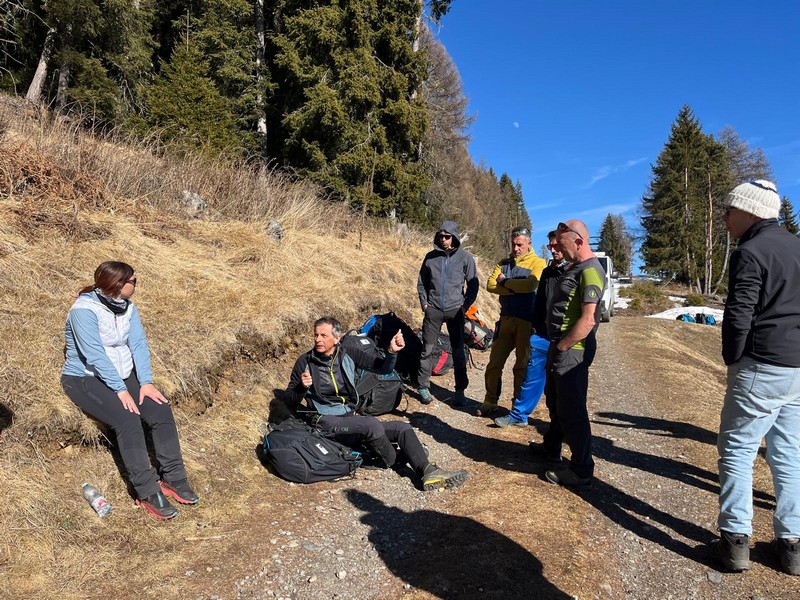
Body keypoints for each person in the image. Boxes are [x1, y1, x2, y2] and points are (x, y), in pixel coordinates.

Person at [61, 261, 198, 520]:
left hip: (123, 376)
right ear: (117, 284)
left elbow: (138, 344)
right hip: (84, 379)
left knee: (160, 410)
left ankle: (174, 478)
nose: (136, 284)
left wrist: (145, 382)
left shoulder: (128, 308)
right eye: (132, 281)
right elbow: (94, 355)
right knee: (128, 420)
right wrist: (120, 389)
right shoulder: (83, 310)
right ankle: (146, 491)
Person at [713, 180, 800, 576]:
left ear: (750, 211)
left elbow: (739, 313)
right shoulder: (796, 246)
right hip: (796, 367)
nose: (725, 218)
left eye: (729, 211)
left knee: (737, 450)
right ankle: (793, 545)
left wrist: (733, 359)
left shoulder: (750, 251)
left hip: (760, 363)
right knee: (788, 455)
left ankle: (735, 542)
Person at [285, 317, 469, 491]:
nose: (318, 339)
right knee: (371, 425)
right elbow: (289, 401)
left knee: (401, 428)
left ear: (337, 338)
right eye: (316, 335)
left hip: (349, 419)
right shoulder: (305, 362)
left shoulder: (347, 353)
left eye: (323, 335)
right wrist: (301, 387)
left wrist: (391, 352)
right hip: (325, 422)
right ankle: (394, 458)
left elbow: (383, 368)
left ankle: (427, 471)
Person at [535, 220, 605, 490]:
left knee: (572, 409)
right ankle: (552, 449)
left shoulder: (590, 270)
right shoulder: (575, 267)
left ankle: (581, 469)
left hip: (572, 350)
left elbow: (588, 320)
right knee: (556, 402)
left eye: (564, 246)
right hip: (559, 345)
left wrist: (563, 346)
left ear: (579, 242)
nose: (560, 251)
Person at [495, 230, 568, 427]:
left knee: (562, 386)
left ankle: (563, 434)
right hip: (542, 334)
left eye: (557, 246)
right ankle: (519, 415)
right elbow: (540, 300)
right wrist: (536, 327)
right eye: (550, 246)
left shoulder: (576, 271)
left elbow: (529, 287)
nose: (553, 250)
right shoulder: (549, 271)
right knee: (532, 375)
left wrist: (505, 283)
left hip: (566, 337)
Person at [478, 226, 547, 418]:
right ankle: (490, 400)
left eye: (519, 245)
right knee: (494, 363)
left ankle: (517, 406)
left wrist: (506, 282)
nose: (516, 248)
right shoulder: (504, 263)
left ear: (529, 244)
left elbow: (531, 285)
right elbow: (491, 285)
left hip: (527, 321)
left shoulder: (538, 263)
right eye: (513, 244)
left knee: (521, 366)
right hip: (506, 319)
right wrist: (516, 288)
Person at [416, 221, 479, 406]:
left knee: (458, 350)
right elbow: (421, 282)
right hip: (433, 309)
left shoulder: (465, 258)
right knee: (427, 348)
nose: (443, 240)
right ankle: (423, 386)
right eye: (441, 236)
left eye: (447, 236)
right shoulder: (430, 257)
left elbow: (473, 284)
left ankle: (460, 390)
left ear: (454, 237)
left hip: (455, 310)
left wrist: (465, 306)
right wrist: (424, 304)